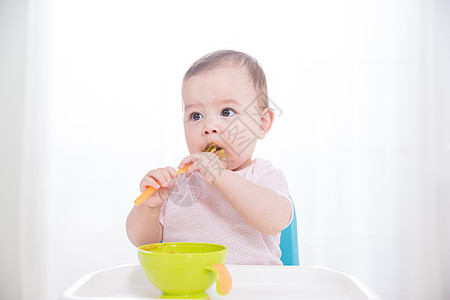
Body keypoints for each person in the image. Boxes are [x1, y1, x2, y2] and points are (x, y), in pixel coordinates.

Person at [126, 50, 292, 265]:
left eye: (227, 112)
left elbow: (274, 221)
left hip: (252, 288)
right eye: (196, 116)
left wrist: (221, 176)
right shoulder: (177, 186)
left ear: (261, 123)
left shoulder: (264, 176)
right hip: (186, 290)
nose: (209, 127)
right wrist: (149, 207)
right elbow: (143, 241)